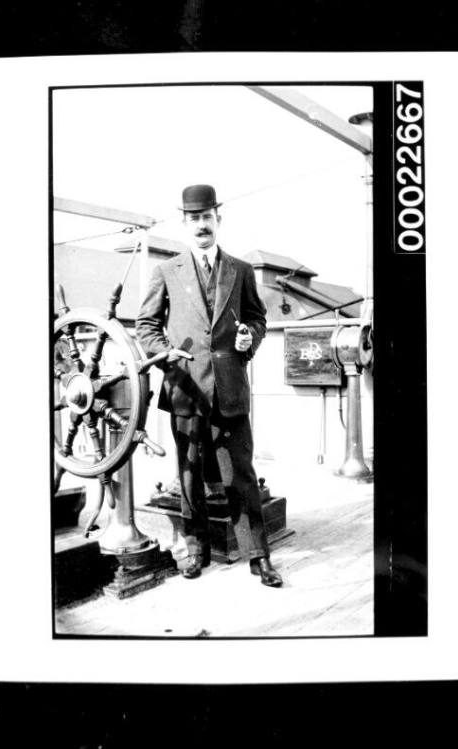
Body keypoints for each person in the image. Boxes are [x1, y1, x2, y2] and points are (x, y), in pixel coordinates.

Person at [136, 184, 282, 587]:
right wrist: (164, 352)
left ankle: (259, 556)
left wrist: (248, 338)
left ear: (218, 219)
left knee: (242, 476)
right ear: (185, 223)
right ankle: (196, 548)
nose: (201, 225)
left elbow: (257, 319)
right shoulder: (166, 270)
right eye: (194, 219)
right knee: (189, 474)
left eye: (207, 217)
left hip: (231, 388)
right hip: (185, 386)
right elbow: (145, 325)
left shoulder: (241, 270)